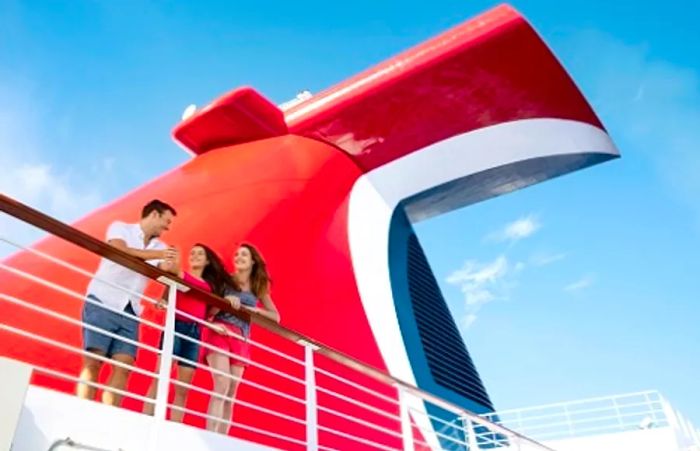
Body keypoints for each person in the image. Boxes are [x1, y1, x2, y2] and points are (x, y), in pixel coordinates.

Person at [77, 200, 177, 406]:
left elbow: (169, 271)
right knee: (94, 361)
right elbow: (119, 250)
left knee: (125, 365)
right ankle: (83, 412)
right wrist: (158, 256)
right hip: (103, 299)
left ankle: (108, 415)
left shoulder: (161, 246)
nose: (167, 228)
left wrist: (168, 283)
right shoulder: (120, 228)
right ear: (154, 215)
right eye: (166, 222)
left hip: (130, 309)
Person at [143, 243, 232, 421]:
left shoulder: (207, 287)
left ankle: (175, 427)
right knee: (161, 376)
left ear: (207, 261)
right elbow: (165, 297)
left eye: (200, 254)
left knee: (183, 388)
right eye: (192, 253)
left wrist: (216, 323)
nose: (195, 256)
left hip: (194, 333)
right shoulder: (179, 276)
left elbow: (206, 314)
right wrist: (161, 302)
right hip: (175, 326)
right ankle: (145, 420)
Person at [201, 243, 280, 433]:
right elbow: (209, 311)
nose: (239, 257)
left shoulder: (258, 288)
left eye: (244, 254)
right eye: (237, 254)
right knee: (222, 383)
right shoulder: (225, 281)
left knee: (231, 392)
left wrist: (254, 310)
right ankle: (211, 434)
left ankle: (222, 439)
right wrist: (225, 303)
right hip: (220, 331)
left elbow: (276, 317)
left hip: (241, 338)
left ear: (253, 261)